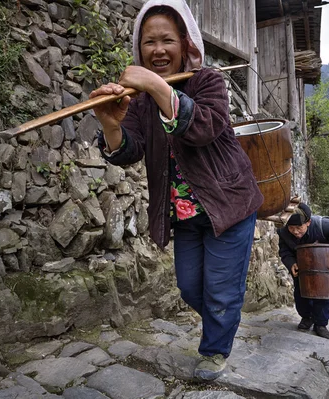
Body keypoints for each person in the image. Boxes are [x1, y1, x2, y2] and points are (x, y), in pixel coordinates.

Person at [89, 0, 263, 381]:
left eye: (167, 40)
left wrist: (153, 86)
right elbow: (128, 151)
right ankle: (225, 314)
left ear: (185, 44)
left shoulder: (208, 81)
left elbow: (203, 127)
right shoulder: (138, 102)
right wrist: (110, 123)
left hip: (228, 205)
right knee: (188, 288)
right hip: (184, 214)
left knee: (219, 290)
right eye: (149, 42)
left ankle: (215, 349)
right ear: (140, 48)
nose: (158, 50)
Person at [277, 203, 329, 339]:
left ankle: (320, 324)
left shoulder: (324, 226)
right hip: (302, 269)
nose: (295, 232)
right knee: (300, 294)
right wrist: (291, 263)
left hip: (324, 269)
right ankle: (306, 317)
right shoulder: (284, 233)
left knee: (323, 296)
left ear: (308, 222)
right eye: (291, 228)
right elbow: (285, 252)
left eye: (299, 228)